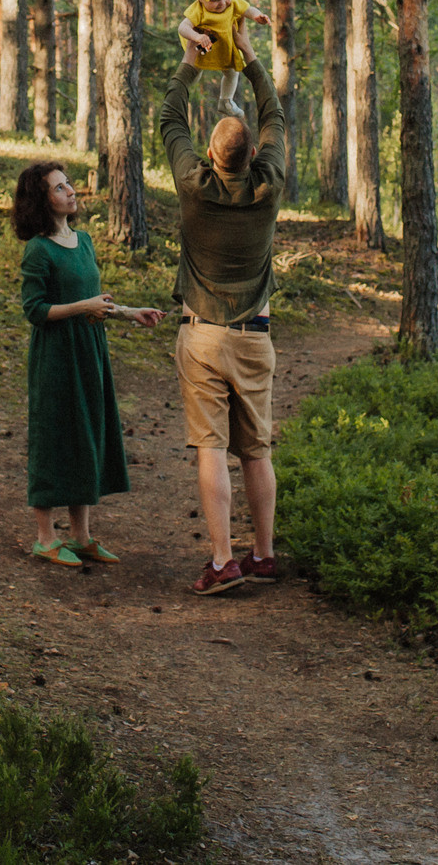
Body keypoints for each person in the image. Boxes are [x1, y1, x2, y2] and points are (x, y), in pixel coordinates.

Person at [156, 43, 288, 595]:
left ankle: (220, 561)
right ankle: (262, 554)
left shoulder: (193, 183)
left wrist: (191, 58)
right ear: (254, 151)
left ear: (209, 156)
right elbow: (274, 112)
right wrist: (252, 57)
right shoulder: (269, 183)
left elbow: (169, 116)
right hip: (255, 339)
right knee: (256, 450)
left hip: (202, 337)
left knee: (211, 447)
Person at [12, 161, 163, 566]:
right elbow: (35, 311)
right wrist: (84, 307)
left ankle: (81, 537)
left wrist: (129, 312)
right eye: (60, 188)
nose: (71, 191)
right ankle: (45, 538)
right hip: (56, 356)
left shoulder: (84, 241)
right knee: (54, 438)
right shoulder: (38, 250)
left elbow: (96, 303)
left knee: (86, 434)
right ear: (42, 200)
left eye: (69, 184)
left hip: (89, 350)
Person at [176, 0, 271, 119]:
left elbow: (248, 9)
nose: (222, 3)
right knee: (194, 73)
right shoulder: (198, 10)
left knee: (232, 73)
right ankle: (180, 96)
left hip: (225, 49)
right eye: (214, 0)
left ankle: (226, 101)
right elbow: (182, 27)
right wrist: (197, 36)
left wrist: (257, 16)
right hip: (203, 49)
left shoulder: (233, 2)